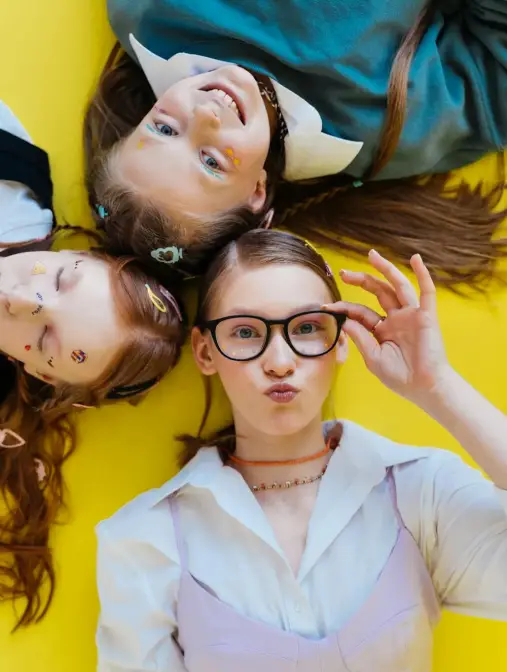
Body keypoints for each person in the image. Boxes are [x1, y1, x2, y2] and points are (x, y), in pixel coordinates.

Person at [96, 229, 507, 671]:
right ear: (204, 351)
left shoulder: (420, 492)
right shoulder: (145, 539)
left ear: (342, 340)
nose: (279, 361)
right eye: (246, 332)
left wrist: (436, 385)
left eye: (308, 327)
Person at [85, 0, 507, 288]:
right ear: (256, 194)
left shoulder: (147, 15)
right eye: (211, 161)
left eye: (163, 129)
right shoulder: (383, 135)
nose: (206, 115)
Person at [0, 100, 185, 630]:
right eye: (61, 280)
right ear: (77, 252)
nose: (24, 301)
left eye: (44, 340)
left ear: (38, 373)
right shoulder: (12, 176)